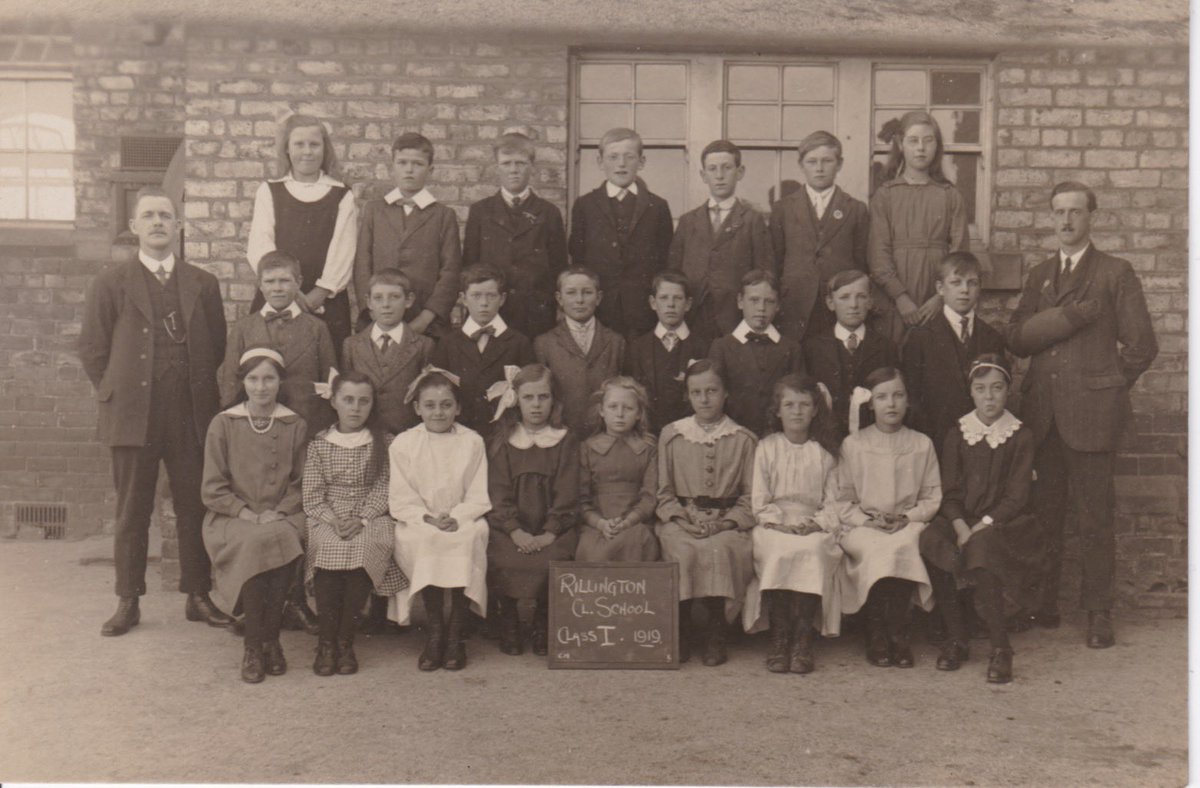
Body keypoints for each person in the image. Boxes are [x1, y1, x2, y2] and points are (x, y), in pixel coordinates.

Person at [1006, 181, 1157, 648]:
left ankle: (1097, 612)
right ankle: (1042, 604)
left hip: (1092, 417)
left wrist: (1106, 388)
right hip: (1044, 417)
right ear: (1050, 218)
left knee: (1095, 517)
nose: (1066, 221)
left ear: (1093, 217)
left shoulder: (1116, 272)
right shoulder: (1039, 275)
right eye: (1058, 213)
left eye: (1075, 212)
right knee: (1045, 515)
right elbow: (1016, 338)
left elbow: (1142, 346)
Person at [79, 185, 232, 636]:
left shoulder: (203, 283)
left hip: (188, 414)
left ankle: (197, 594)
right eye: (149, 215)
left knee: (193, 505)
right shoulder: (111, 282)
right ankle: (128, 600)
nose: (158, 222)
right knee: (132, 510)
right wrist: (118, 392)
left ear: (179, 225)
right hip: (131, 415)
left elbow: (216, 345)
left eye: (166, 215)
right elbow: (93, 349)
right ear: (135, 226)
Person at [919, 355, 1039, 684]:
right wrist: (959, 525)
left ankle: (1001, 648)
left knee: (983, 547)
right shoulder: (958, 433)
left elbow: (1016, 497)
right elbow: (950, 490)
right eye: (981, 389)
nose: (989, 397)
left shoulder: (1019, 435)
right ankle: (957, 637)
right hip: (961, 518)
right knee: (931, 539)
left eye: (997, 389)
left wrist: (981, 524)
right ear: (971, 392)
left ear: (1007, 392)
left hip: (1001, 522)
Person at [201, 349, 307, 683]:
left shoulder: (294, 424)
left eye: (269, 379)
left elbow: (303, 482)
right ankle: (254, 646)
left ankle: (270, 639)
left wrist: (280, 511)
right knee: (256, 542)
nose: (261, 387)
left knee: (280, 536)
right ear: (242, 382)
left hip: (283, 514)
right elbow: (213, 487)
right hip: (232, 517)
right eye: (253, 379)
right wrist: (245, 512)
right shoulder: (224, 423)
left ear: (280, 382)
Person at [834, 367, 941, 668]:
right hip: (864, 524)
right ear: (871, 405)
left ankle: (898, 630)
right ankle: (876, 630)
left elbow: (932, 496)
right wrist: (866, 521)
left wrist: (906, 517)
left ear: (908, 400)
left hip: (907, 522)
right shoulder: (854, 445)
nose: (891, 404)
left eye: (898, 395)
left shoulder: (921, 444)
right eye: (882, 397)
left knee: (904, 544)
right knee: (878, 547)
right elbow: (842, 499)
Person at [303, 371, 408, 677]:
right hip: (329, 515)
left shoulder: (383, 442)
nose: (355, 408)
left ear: (372, 404)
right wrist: (334, 520)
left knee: (363, 549)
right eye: (348, 400)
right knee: (327, 550)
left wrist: (362, 518)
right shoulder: (320, 444)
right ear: (334, 401)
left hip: (370, 516)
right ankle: (326, 642)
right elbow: (312, 495)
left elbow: (385, 486)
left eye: (363, 401)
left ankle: (345, 642)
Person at [655, 359, 756, 666]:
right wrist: (683, 520)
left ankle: (716, 628)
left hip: (725, 523)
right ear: (688, 395)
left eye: (712, 390)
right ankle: (682, 628)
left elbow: (751, 497)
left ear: (725, 393)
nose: (704, 398)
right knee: (681, 550)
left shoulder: (743, 439)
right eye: (696, 392)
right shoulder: (672, 435)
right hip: (683, 520)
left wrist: (724, 523)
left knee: (720, 549)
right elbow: (664, 493)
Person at [390, 369, 492, 671]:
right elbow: (401, 496)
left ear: (457, 408)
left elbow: (477, 492)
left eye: (446, 405)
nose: (438, 412)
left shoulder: (472, 442)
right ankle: (435, 631)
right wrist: (428, 518)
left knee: (468, 538)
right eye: (430, 405)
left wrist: (458, 517)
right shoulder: (404, 444)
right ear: (417, 408)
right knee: (427, 541)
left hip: (464, 517)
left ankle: (455, 633)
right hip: (420, 520)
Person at [743, 374, 844, 674]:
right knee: (779, 550)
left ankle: (802, 639)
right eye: (789, 404)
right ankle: (780, 636)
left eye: (804, 404)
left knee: (812, 550)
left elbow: (833, 502)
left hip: (812, 525)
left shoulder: (824, 454)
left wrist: (815, 524)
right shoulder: (767, 447)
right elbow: (759, 500)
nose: (797, 411)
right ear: (777, 410)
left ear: (815, 410)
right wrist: (779, 523)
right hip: (774, 524)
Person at [486, 364, 580, 656]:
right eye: (529, 398)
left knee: (554, 557)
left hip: (552, 527)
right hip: (511, 528)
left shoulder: (565, 440)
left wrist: (550, 532)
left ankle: (543, 619)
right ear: (516, 400)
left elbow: (568, 491)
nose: (536, 405)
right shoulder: (503, 440)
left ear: (554, 400)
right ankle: (509, 618)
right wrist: (514, 530)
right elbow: (497, 492)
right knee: (501, 555)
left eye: (543, 397)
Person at [246, 114, 357, 357]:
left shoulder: (341, 195)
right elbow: (260, 245)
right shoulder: (270, 191)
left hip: (325, 301)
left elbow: (344, 250)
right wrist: (289, 291)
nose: (307, 151)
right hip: (277, 295)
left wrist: (318, 295)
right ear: (287, 149)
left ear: (324, 149)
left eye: (314, 144)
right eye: (299, 144)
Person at [868, 110, 971, 345]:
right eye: (913, 141)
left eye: (928, 140)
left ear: (937, 146)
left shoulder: (950, 195)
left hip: (937, 293)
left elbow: (959, 255)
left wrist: (941, 296)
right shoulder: (885, 195)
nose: (921, 148)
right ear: (901, 145)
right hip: (894, 295)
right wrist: (901, 297)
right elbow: (878, 254)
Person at [220, 251, 337, 442]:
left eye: (284, 280)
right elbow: (230, 384)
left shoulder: (317, 328)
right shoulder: (243, 328)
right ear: (260, 284)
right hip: (255, 427)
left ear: (298, 282)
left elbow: (329, 384)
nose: (277, 288)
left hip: (304, 426)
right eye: (270, 281)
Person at [354, 132, 462, 339]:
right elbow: (362, 264)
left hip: (426, 323)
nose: (409, 170)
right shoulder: (374, 211)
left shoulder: (443, 216)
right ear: (392, 167)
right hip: (379, 319)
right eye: (402, 163)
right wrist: (372, 311)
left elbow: (451, 271)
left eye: (418, 164)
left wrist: (426, 317)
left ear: (430, 170)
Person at [568, 127, 674, 336]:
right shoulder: (585, 205)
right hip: (599, 310)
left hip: (643, 310)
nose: (621, 164)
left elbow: (665, 259)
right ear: (600, 162)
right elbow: (578, 259)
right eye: (613, 157)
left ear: (641, 162)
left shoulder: (657, 206)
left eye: (629, 157)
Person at [463, 131, 567, 340]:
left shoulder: (548, 212)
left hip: (535, 313)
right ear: (496, 168)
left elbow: (559, 267)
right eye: (506, 163)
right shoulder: (481, 211)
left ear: (532, 167)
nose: (513, 170)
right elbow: (470, 266)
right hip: (491, 311)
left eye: (520, 163)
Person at [666, 139, 772, 343]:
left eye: (727, 168)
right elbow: (673, 272)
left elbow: (764, 271)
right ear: (703, 175)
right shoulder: (688, 221)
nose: (720, 176)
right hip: (693, 317)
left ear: (739, 172)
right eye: (712, 169)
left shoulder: (752, 220)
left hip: (734, 318)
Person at [902, 251, 1005, 457]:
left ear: (980, 287)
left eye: (972, 283)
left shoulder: (991, 337)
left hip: (981, 444)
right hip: (935, 442)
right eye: (956, 283)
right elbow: (912, 398)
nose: (964, 290)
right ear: (940, 288)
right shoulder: (920, 337)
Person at [770, 131, 871, 341]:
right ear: (801, 165)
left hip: (838, 304)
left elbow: (861, 263)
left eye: (827, 161)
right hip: (794, 303)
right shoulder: (784, 208)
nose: (819, 168)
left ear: (839, 164)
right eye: (812, 161)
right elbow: (775, 260)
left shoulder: (855, 209)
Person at [431, 265, 536, 434]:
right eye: (476, 296)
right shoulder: (447, 343)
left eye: (491, 296)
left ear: (502, 299)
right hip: (459, 433)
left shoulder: (519, 343)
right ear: (463, 299)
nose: (484, 303)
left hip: (505, 433)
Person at [707, 270, 804, 437]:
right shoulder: (722, 347)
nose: (761, 308)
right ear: (740, 301)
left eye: (769, 302)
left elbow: (798, 397)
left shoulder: (791, 348)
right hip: (732, 437)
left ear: (778, 306)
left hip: (778, 437)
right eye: (754, 300)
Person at [803, 269, 898, 438]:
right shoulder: (812, 348)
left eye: (861, 296)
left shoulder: (886, 347)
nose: (853, 305)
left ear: (870, 301)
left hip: (873, 439)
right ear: (830, 303)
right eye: (844, 297)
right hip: (827, 440)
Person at [533, 267, 626, 435]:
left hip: (605, 433)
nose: (579, 300)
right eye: (571, 293)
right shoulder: (544, 343)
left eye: (587, 292)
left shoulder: (616, 341)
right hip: (562, 432)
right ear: (559, 299)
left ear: (598, 298)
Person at [576, 377, 660, 562]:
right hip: (596, 526)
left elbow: (649, 497)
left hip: (635, 524)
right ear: (602, 411)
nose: (620, 414)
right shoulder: (587, 448)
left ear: (639, 413)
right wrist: (600, 523)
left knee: (638, 541)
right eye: (613, 407)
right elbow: (581, 499)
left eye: (628, 408)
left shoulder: (647, 450)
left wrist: (627, 522)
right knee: (591, 549)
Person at [341, 269, 434, 436]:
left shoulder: (423, 345)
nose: (386, 304)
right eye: (378, 298)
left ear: (408, 300)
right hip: (364, 435)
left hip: (407, 434)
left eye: (394, 297)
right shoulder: (351, 345)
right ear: (368, 302)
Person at [625, 271, 711, 431]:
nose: (670, 304)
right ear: (653, 303)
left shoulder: (704, 346)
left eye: (677, 298)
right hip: (647, 434)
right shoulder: (637, 347)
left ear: (688, 304)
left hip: (691, 433)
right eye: (664, 298)